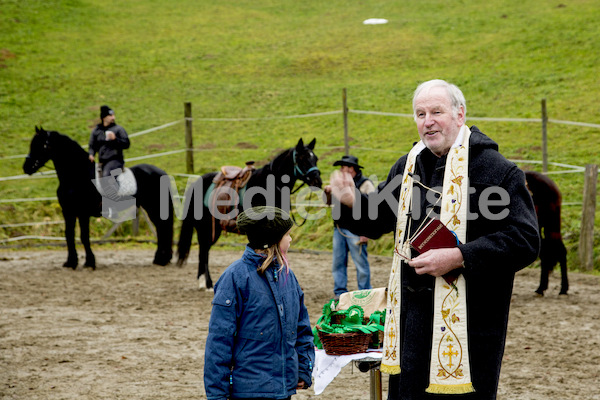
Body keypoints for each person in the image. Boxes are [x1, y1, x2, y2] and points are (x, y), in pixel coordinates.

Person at [329, 79, 540, 399]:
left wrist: (460, 256)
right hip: (411, 324)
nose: (427, 121)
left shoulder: (496, 171)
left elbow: (525, 239)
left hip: (471, 325)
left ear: (460, 114)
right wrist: (350, 202)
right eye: (420, 113)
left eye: (436, 111)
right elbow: (377, 220)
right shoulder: (408, 166)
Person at [204, 206, 315, 400]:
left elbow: (302, 328)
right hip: (248, 391)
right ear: (272, 240)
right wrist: (217, 396)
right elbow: (219, 341)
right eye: (287, 234)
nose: (291, 239)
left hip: (283, 390)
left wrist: (304, 369)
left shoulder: (289, 277)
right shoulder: (234, 278)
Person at [326, 155, 376, 299]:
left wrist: (366, 231)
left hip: (357, 230)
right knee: (338, 262)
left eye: (344, 167)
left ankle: (364, 292)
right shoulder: (340, 184)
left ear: (352, 169)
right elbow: (329, 203)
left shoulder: (365, 184)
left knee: (360, 263)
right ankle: (340, 292)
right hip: (339, 228)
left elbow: (372, 210)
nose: (341, 170)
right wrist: (328, 193)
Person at [88, 105, 130, 178]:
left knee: (107, 176)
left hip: (117, 162)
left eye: (113, 115)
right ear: (104, 117)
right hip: (102, 162)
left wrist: (115, 139)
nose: (113, 118)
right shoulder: (96, 131)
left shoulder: (118, 129)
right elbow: (92, 145)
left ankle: (110, 190)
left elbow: (126, 144)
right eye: (110, 116)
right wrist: (91, 154)